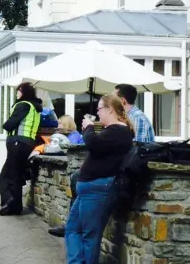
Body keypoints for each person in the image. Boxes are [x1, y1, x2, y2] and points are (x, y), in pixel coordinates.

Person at [65, 94, 134, 264]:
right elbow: (101, 151)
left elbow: (94, 145)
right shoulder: (113, 131)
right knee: (72, 229)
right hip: (89, 188)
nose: (98, 113)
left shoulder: (120, 131)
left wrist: (88, 127)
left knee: (90, 235)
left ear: (110, 109)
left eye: (99, 109)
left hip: (98, 189)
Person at [0, 82, 43, 216]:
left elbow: (10, 124)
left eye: (18, 90)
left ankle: (9, 201)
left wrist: (5, 124)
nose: (17, 93)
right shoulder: (36, 107)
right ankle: (16, 208)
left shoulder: (23, 105)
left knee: (5, 176)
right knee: (17, 176)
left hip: (17, 143)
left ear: (23, 92)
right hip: (28, 144)